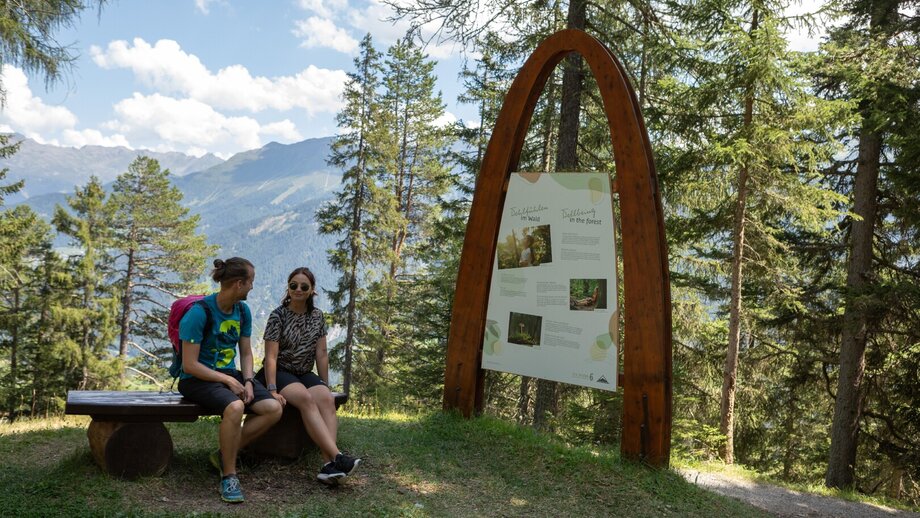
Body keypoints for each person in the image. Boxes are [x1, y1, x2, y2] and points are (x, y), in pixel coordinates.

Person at [178, 257, 283, 503]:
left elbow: (245, 353)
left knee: (273, 408)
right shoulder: (199, 313)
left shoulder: (242, 311)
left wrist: (247, 380)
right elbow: (189, 364)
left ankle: (224, 453)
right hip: (196, 379)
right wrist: (228, 382)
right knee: (235, 407)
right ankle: (229, 475)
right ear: (238, 283)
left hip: (230, 375)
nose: (252, 287)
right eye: (251, 281)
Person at [256, 267, 362, 485]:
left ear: (311, 290)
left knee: (326, 399)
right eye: (293, 285)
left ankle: (328, 465)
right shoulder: (278, 316)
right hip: (280, 371)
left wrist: (324, 384)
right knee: (305, 399)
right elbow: (271, 357)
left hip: (303, 372)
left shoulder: (317, 316)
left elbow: (321, 353)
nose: (298, 289)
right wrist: (272, 388)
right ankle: (337, 457)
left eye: (304, 286)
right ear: (288, 287)